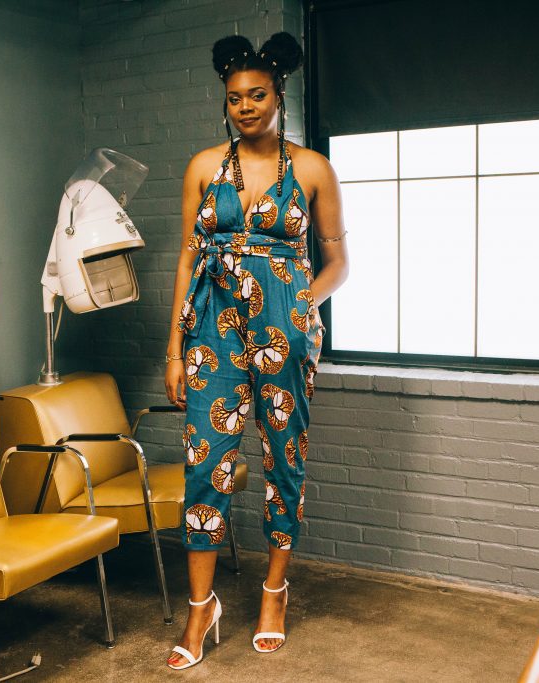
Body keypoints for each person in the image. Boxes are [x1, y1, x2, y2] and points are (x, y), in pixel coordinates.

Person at [164, 32, 349, 669]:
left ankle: (274, 592)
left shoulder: (313, 170)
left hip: (284, 331)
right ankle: (200, 608)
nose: (245, 106)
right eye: (235, 97)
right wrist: (173, 347)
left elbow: (339, 264)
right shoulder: (203, 167)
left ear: (279, 96)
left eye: (257, 95)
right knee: (205, 464)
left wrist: (300, 305)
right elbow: (187, 258)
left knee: (283, 459)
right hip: (210, 331)